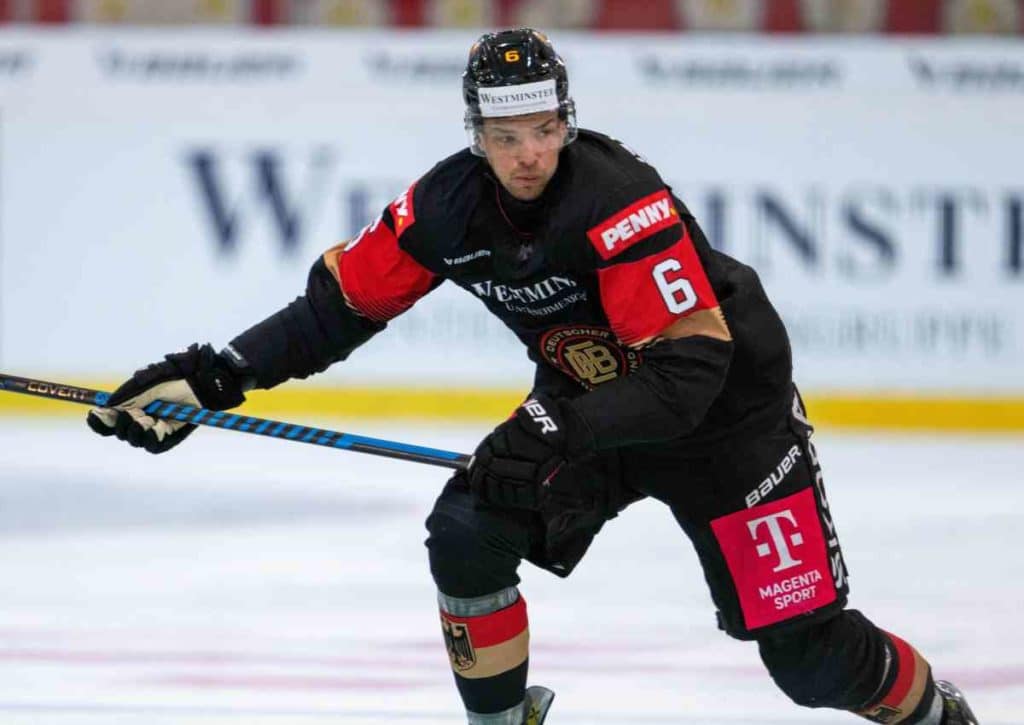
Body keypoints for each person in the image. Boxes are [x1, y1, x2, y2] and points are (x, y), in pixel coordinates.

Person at [87, 28, 979, 725]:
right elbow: (335, 312)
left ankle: (936, 713)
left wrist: (550, 431)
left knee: (810, 660)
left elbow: (686, 377)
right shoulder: (442, 207)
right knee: (466, 531)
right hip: (591, 409)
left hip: (729, 431)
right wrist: (214, 379)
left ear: (568, 121)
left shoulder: (618, 199)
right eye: (505, 136)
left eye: (544, 131)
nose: (527, 156)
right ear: (475, 134)